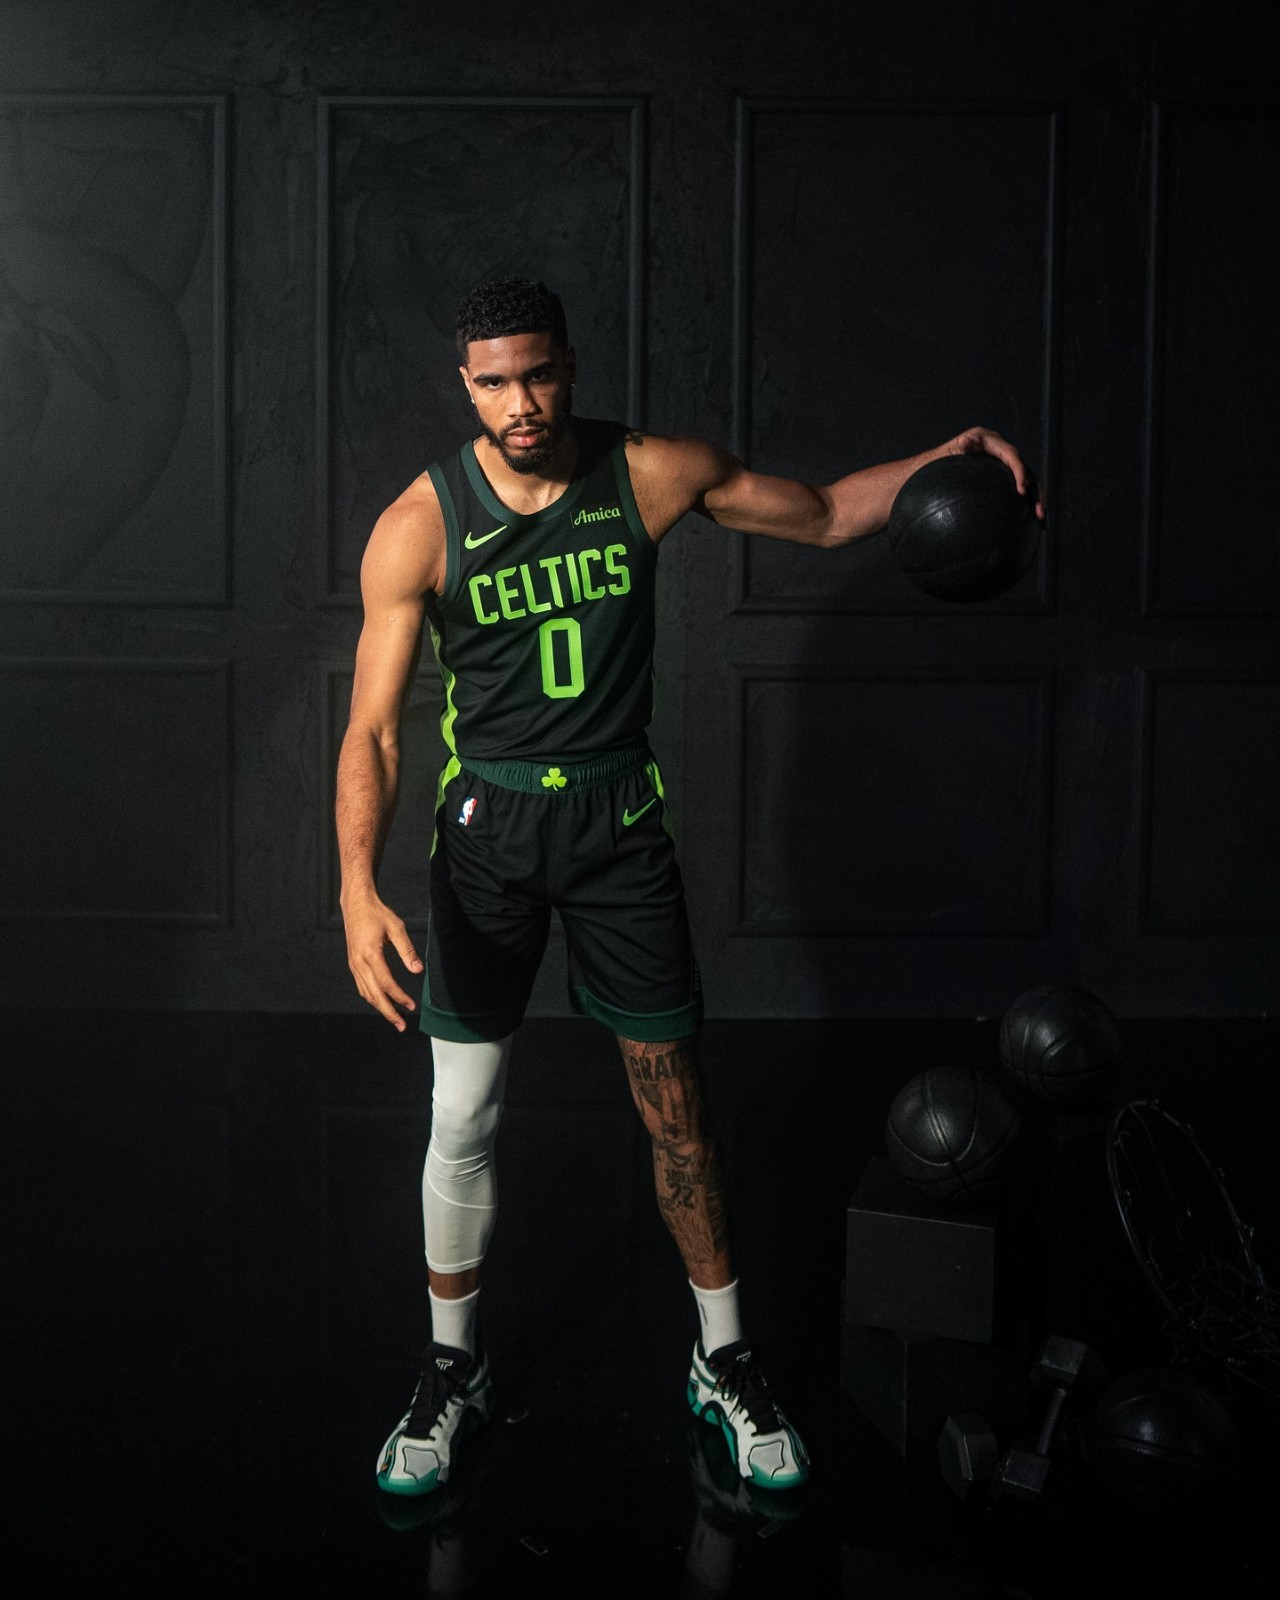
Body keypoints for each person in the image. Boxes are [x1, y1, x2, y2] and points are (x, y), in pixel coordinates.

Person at [336, 277, 1043, 1501]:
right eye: (494, 382)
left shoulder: (650, 474)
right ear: (466, 386)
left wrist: (944, 459)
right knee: (463, 1114)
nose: (520, 402)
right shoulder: (419, 522)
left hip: (616, 825)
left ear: (568, 364)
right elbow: (376, 731)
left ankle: (722, 1360)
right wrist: (354, 887)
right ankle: (453, 1366)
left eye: (537, 374)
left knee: (678, 1113)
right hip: (488, 835)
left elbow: (824, 513)